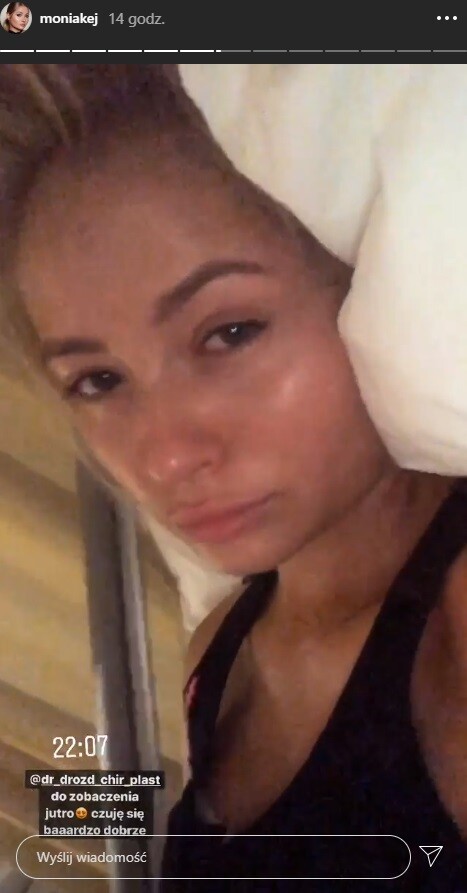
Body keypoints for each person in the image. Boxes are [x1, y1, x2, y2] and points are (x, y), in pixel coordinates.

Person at [0, 65, 465, 891]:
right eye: (98, 381)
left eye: (229, 332)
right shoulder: (219, 652)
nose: (164, 456)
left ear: (362, 283)